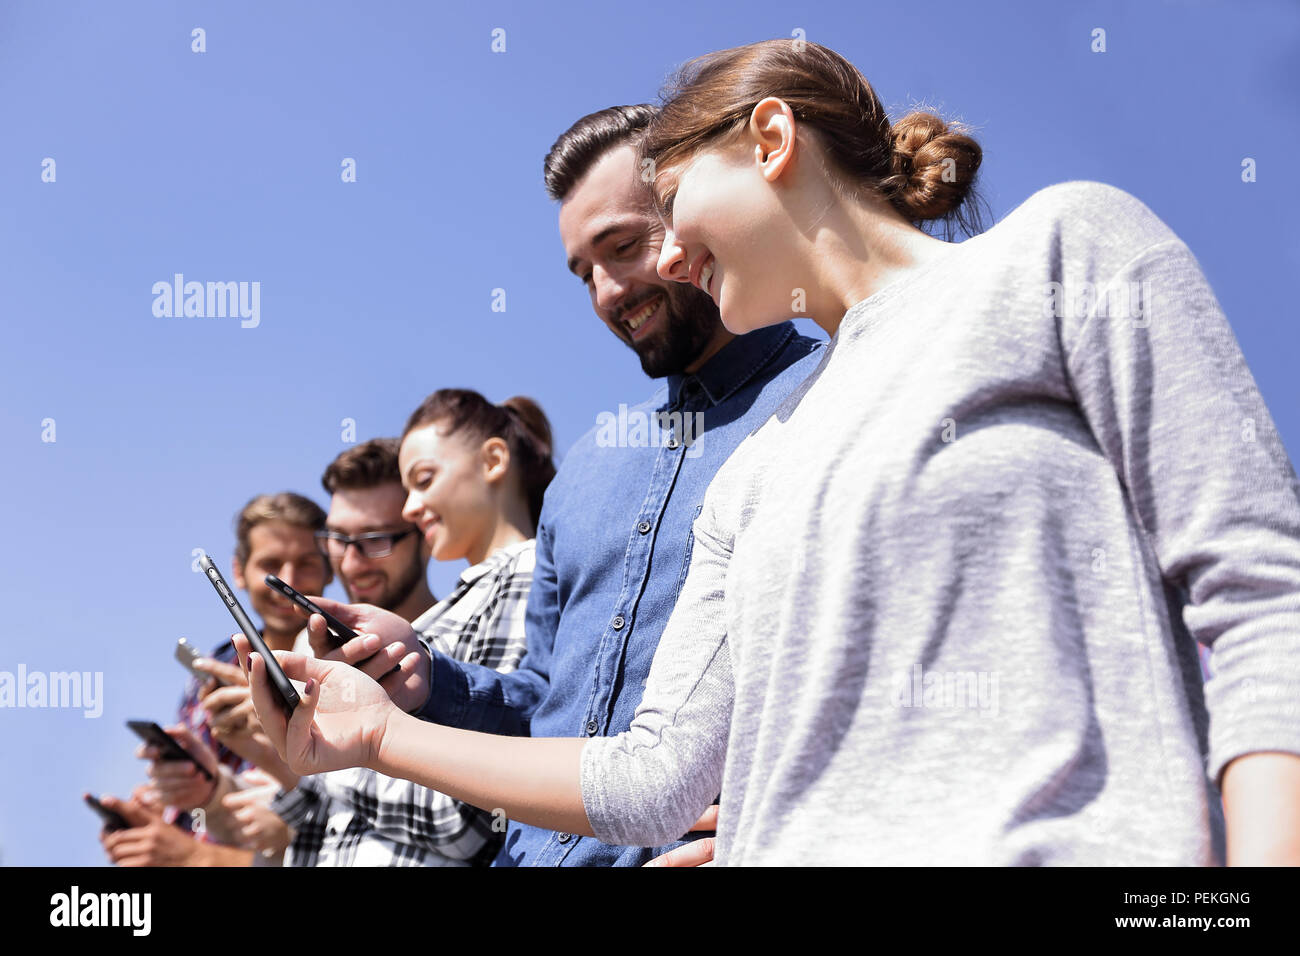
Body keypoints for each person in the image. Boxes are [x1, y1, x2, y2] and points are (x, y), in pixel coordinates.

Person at [241, 38, 1300, 865]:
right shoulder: (756, 468)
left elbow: (1261, 595)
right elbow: (653, 776)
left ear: (771, 138)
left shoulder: (1058, 251)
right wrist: (375, 733)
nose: (656, 261)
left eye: (662, 208)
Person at [293, 105, 825, 866]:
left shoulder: (828, 397)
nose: (608, 292)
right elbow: (547, 701)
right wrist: (425, 675)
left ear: (695, 212)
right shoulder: (586, 474)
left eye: (623, 247)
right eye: (584, 272)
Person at [259, 429, 537, 866]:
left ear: (423, 531)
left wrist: (331, 755)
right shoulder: (321, 649)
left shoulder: (458, 650)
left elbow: (464, 822)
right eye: (337, 540)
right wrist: (269, 752)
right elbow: (324, 823)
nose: (351, 563)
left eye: (375, 541)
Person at [100, 492, 330, 866]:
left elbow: (332, 817)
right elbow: (203, 797)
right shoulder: (212, 670)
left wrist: (195, 857)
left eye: (305, 564)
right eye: (271, 564)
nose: (288, 581)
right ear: (238, 571)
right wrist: (164, 802)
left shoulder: (344, 670)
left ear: (329, 569)